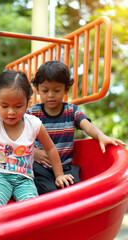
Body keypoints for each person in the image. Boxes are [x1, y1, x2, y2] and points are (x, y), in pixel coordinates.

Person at [0, 70, 74, 210]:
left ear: (27, 103)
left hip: (25, 179)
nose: (11, 111)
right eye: (4, 106)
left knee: (33, 207)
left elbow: (50, 148)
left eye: (18, 106)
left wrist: (59, 174)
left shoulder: (34, 124)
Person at [27, 60, 126, 195]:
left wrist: (101, 136)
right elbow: (19, 136)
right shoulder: (32, 113)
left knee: (77, 191)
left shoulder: (71, 111)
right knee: (46, 190)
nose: (50, 95)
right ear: (37, 89)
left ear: (66, 89)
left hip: (65, 168)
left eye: (56, 90)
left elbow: (87, 126)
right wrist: (33, 152)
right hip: (41, 167)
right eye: (45, 90)